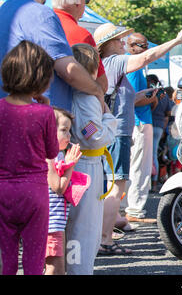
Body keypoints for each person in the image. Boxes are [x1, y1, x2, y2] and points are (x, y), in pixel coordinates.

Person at [94, 23, 182, 255]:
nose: (122, 43)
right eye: (118, 40)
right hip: (119, 133)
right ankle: (105, 239)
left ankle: (104, 234)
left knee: (114, 185)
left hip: (115, 131)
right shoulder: (116, 61)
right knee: (117, 186)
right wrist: (176, 41)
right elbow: (147, 56)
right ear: (108, 44)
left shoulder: (107, 64)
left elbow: (119, 98)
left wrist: (140, 95)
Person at [0, 0, 103, 111]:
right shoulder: (40, 13)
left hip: (11, 114)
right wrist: (97, 91)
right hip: (42, 117)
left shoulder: (4, 10)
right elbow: (68, 70)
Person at [0, 41, 59, 275]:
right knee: (35, 258)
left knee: (7, 256)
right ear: (42, 78)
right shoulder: (44, 113)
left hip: (3, 189)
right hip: (35, 192)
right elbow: (51, 152)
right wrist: (46, 107)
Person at [65, 43, 117, 273]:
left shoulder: (75, 95)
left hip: (85, 164)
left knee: (79, 228)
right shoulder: (85, 100)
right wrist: (109, 120)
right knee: (84, 230)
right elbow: (94, 137)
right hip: (86, 166)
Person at [51, 0, 108, 93]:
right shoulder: (81, 34)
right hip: (69, 105)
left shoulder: (41, 25)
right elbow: (102, 84)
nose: (85, 4)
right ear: (79, 0)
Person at [124, 33, 159, 223]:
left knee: (134, 167)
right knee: (140, 168)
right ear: (132, 47)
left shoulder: (130, 66)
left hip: (136, 122)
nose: (146, 50)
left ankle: (129, 208)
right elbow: (134, 99)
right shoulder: (135, 68)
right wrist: (153, 97)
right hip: (139, 122)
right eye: (143, 46)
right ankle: (135, 209)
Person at [45, 108, 82, 275]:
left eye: (69, 131)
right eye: (64, 130)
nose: (69, 136)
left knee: (59, 267)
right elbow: (58, 187)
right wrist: (71, 165)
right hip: (50, 225)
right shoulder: (48, 156)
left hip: (56, 223)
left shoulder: (57, 155)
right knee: (55, 268)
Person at [151, 78, 175, 191]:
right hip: (160, 127)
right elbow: (168, 114)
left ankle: (152, 183)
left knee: (150, 155)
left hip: (149, 125)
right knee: (156, 154)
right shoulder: (165, 98)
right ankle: (155, 182)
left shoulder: (151, 94)